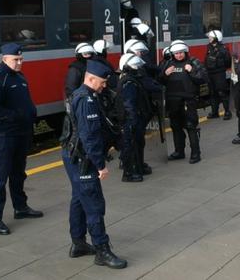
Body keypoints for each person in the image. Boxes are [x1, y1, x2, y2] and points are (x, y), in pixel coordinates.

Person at [61, 60, 127, 269]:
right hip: (83, 159)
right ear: (90, 79)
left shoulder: (84, 94)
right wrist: (100, 165)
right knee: (94, 204)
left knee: (79, 199)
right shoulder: (87, 100)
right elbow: (89, 137)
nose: (104, 85)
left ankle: (78, 243)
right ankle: (102, 250)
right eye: (102, 81)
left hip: (73, 155)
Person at [0, 43, 42, 235]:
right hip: (3, 135)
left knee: (18, 174)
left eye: (21, 59)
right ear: (4, 58)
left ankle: (20, 207)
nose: (19, 63)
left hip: (20, 134)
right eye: (15, 60)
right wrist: (15, 116)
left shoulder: (19, 77)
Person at [159, 40, 208, 163]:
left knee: (191, 126)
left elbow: (203, 79)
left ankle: (195, 153)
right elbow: (159, 81)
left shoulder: (193, 62)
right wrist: (165, 74)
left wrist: (191, 71)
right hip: (173, 101)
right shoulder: (168, 64)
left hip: (188, 101)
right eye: (176, 53)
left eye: (181, 52)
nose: (179, 55)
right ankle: (179, 151)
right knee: (176, 127)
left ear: (185, 52)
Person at [118, 53, 157, 182]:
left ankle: (139, 166)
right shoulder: (129, 82)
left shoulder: (132, 79)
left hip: (137, 118)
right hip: (132, 119)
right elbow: (129, 104)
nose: (138, 69)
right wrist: (133, 120)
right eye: (136, 67)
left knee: (139, 143)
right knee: (131, 145)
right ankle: (128, 173)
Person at [204, 30, 233, 120]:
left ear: (216, 39)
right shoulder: (209, 47)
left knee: (222, 93)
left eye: (211, 37)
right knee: (213, 93)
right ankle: (214, 112)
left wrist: (221, 68)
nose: (209, 38)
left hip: (219, 74)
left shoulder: (223, 49)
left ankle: (227, 112)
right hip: (210, 73)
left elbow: (228, 61)